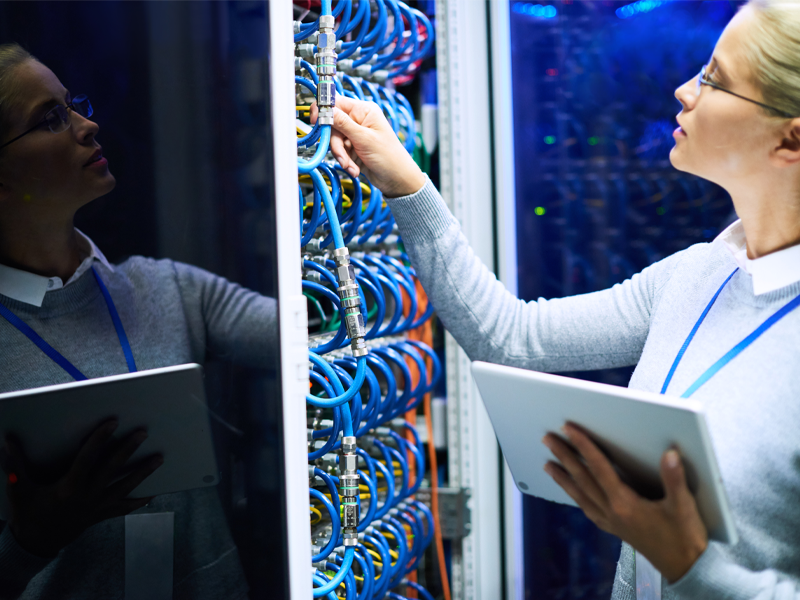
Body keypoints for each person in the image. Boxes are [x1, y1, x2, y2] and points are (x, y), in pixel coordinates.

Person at [315, 0, 800, 597]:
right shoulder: (697, 276)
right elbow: (511, 337)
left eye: (715, 80)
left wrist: (691, 563)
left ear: (791, 138)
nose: (683, 90)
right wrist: (408, 185)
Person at [0, 44, 277, 599]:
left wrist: (397, 189)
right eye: (51, 119)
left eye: (72, 104)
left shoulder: (170, 288)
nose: (87, 125)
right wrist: (30, 540)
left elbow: (318, 337)